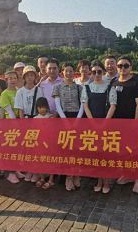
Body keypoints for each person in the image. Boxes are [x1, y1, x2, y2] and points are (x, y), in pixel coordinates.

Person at [82, 61, 117, 193]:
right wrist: (92, 123)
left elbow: (113, 105)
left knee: (106, 154)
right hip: (92, 126)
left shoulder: (110, 87)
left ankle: (106, 182)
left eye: (99, 72)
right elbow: (85, 106)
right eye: (94, 72)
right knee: (96, 155)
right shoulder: (87, 88)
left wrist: (104, 123)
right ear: (91, 73)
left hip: (107, 125)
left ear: (103, 73)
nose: (97, 74)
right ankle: (98, 180)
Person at [111, 56, 138, 193]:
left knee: (136, 152)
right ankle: (127, 174)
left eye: (126, 65)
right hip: (117, 124)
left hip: (132, 123)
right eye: (120, 66)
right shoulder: (113, 82)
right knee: (123, 152)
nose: (123, 68)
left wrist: (136, 123)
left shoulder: (136, 83)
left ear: (131, 67)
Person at [53, 63, 84, 191]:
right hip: (62, 118)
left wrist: (77, 120)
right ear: (62, 72)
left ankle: (76, 174)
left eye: (71, 71)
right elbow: (57, 104)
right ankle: (68, 177)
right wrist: (64, 120)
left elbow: (83, 104)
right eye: (67, 71)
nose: (69, 73)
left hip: (77, 117)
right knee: (65, 149)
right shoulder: (57, 87)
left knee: (77, 149)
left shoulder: (79, 87)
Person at [32, 97, 56, 190]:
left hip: (49, 144)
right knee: (39, 161)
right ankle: (42, 178)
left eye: (43, 107)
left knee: (51, 161)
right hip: (39, 145)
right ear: (36, 108)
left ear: (47, 107)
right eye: (39, 107)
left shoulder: (51, 117)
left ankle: (51, 180)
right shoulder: (35, 118)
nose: (41, 109)